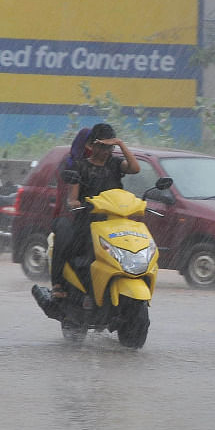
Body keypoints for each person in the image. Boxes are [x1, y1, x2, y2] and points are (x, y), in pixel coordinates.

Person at [48, 123, 140, 302]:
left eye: (110, 147)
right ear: (91, 146)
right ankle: (68, 287)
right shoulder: (79, 167)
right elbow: (72, 198)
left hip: (114, 222)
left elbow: (135, 168)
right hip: (88, 222)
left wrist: (121, 144)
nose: (107, 151)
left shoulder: (115, 164)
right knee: (87, 254)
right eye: (103, 146)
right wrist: (75, 203)